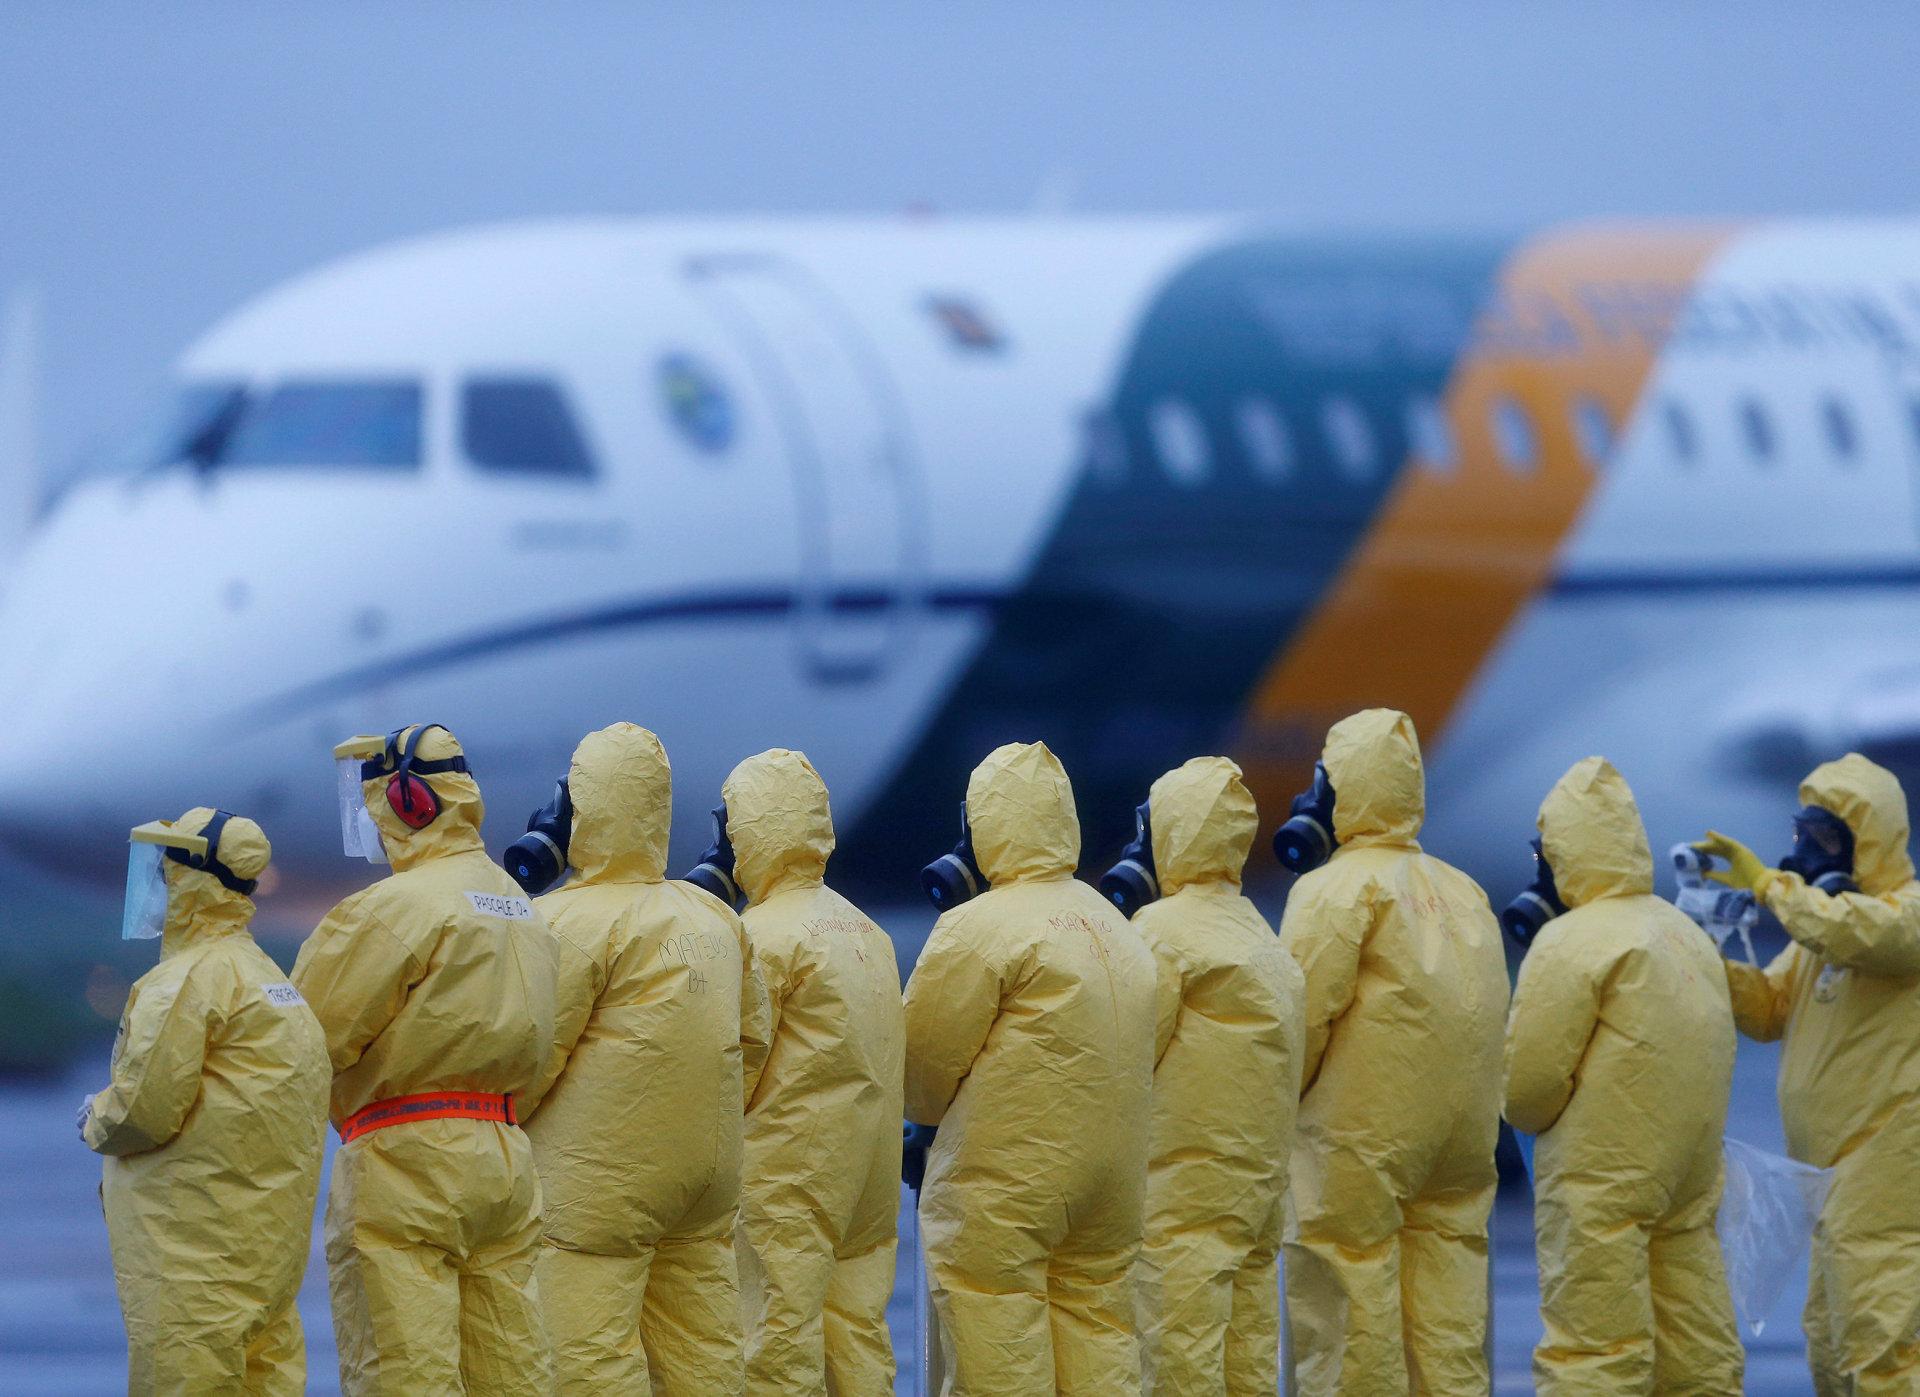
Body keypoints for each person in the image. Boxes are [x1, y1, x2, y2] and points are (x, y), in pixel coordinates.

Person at [294, 724, 571, 1395]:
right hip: (503, 1158)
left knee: (403, 1371)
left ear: (408, 799)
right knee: (509, 1369)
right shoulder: (521, 908)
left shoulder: (392, 908)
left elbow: (301, 1044)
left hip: (404, 1164)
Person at [517, 722, 772, 1395]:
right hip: (704, 1179)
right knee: (703, 1353)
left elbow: (529, 1058)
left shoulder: (563, 921)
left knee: (588, 1357)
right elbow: (753, 1040)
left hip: (596, 1188)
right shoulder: (713, 916)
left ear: (581, 808)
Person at [903, 740, 1156, 1397]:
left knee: (1000, 1360)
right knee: (1099, 1343)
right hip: (1111, 1185)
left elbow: (921, 1078)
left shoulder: (976, 927)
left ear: (983, 822)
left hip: (1007, 1186)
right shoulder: (1118, 923)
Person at [1278, 708, 1509, 1396]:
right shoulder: (1462, 887)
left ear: (1340, 787)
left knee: (1351, 1300)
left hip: (1363, 1131)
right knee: (1448, 1312)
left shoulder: (1333, 888)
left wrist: (1277, 1105)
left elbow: (1302, 1018)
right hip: (1461, 1135)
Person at [1505, 757, 1743, 1395]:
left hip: (1601, 1173)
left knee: (1597, 1348)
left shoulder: (1571, 941)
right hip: (1689, 1171)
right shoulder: (1682, 932)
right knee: (1695, 1338)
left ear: (1564, 854)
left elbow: (1527, 1090)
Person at [84, 808, 329, 1395]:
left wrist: (94, 1117)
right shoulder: (270, 979)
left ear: (189, 876)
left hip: (191, 1252)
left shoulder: (185, 982)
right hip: (264, 1251)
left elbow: (144, 1108)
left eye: (165, 867)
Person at [1699, 752, 1920, 1394]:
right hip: (1829, 1177)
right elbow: (1770, 1010)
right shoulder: (1822, 935)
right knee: (1830, 1341)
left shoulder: (1900, 917)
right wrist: (1705, 955)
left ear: (1869, 843)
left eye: (1825, 840)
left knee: (1880, 1344)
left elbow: (1859, 936)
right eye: (1803, 837)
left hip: (1889, 1166)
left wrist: (1770, 886)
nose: (1807, 853)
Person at [723, 748, 905, 1396]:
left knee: (776, 1335)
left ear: (752, 829)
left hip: (792, 1174)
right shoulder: (870, 931)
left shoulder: (760, 934)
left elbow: (735, 1061)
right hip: (871, 1179)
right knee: (859, 1336)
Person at [1126, 757, 1305, 1396]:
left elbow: (1126, 1054)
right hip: (1257, 1187)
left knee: (1177, 1348)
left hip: (1181, 1185)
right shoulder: (1262, 934)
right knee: (1247, 1351)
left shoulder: (1161, 932)